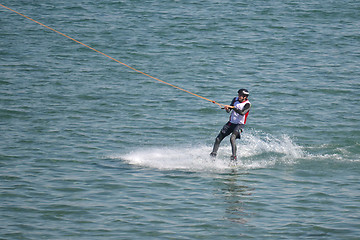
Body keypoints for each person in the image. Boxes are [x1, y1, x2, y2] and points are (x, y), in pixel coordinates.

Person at [210, 89, 251, 162]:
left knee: (232, 138)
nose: (239, 96)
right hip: (231, 123)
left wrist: (234, 108)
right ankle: (213, 155)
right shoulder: (235, 100)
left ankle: (234, 157)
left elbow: (242, 113)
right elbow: (229, 110)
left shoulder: (247, 104)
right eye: (238, 95)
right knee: (218, 138)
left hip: (239, 125)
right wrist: (227, 108)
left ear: (245, 97)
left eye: (240, 95)